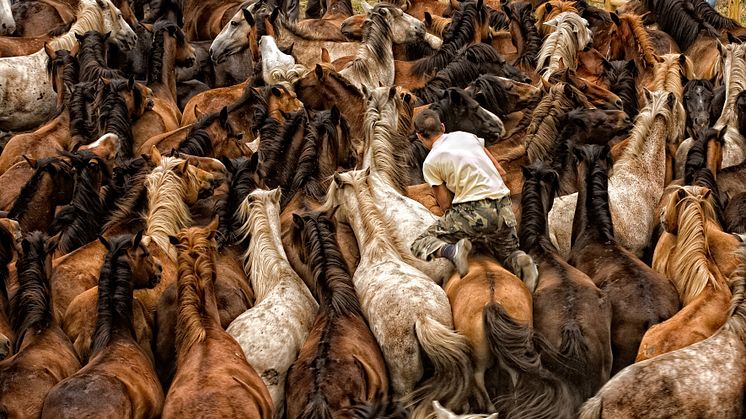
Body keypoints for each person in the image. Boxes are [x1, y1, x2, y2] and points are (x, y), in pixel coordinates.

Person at [410, 109, 538, 290]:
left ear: (419, 136)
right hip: (503, 207)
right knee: (506, 252)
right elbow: (500, 171)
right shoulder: (467, 136)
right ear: (443, 127)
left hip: (473, 212)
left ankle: (453, 252)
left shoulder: (430, 163)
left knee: (420, 244)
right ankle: (520, 259)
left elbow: (445, 204)